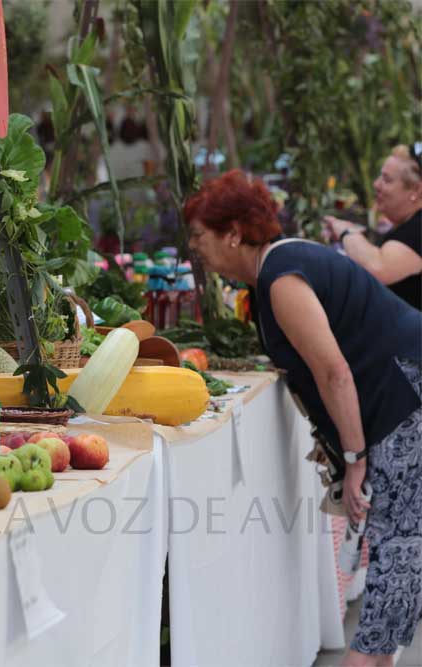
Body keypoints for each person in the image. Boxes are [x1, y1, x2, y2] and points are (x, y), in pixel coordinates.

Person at [184, 169, 422, 667]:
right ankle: (378, 656)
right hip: (402, 395)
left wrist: (355, 459)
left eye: (200, 236)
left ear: (232, 233)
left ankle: (368, 657)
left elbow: (334, 372)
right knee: (401, 549)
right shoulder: (280, 266)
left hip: (406, 396)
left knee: (398, 546)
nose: (195, 248)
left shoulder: (281, 277)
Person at [324, 143, 422, 309]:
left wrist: (346, 231)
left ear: (416, 191)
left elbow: (378, 266)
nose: (376, 184)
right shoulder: (409, 225)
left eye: (387, 179)